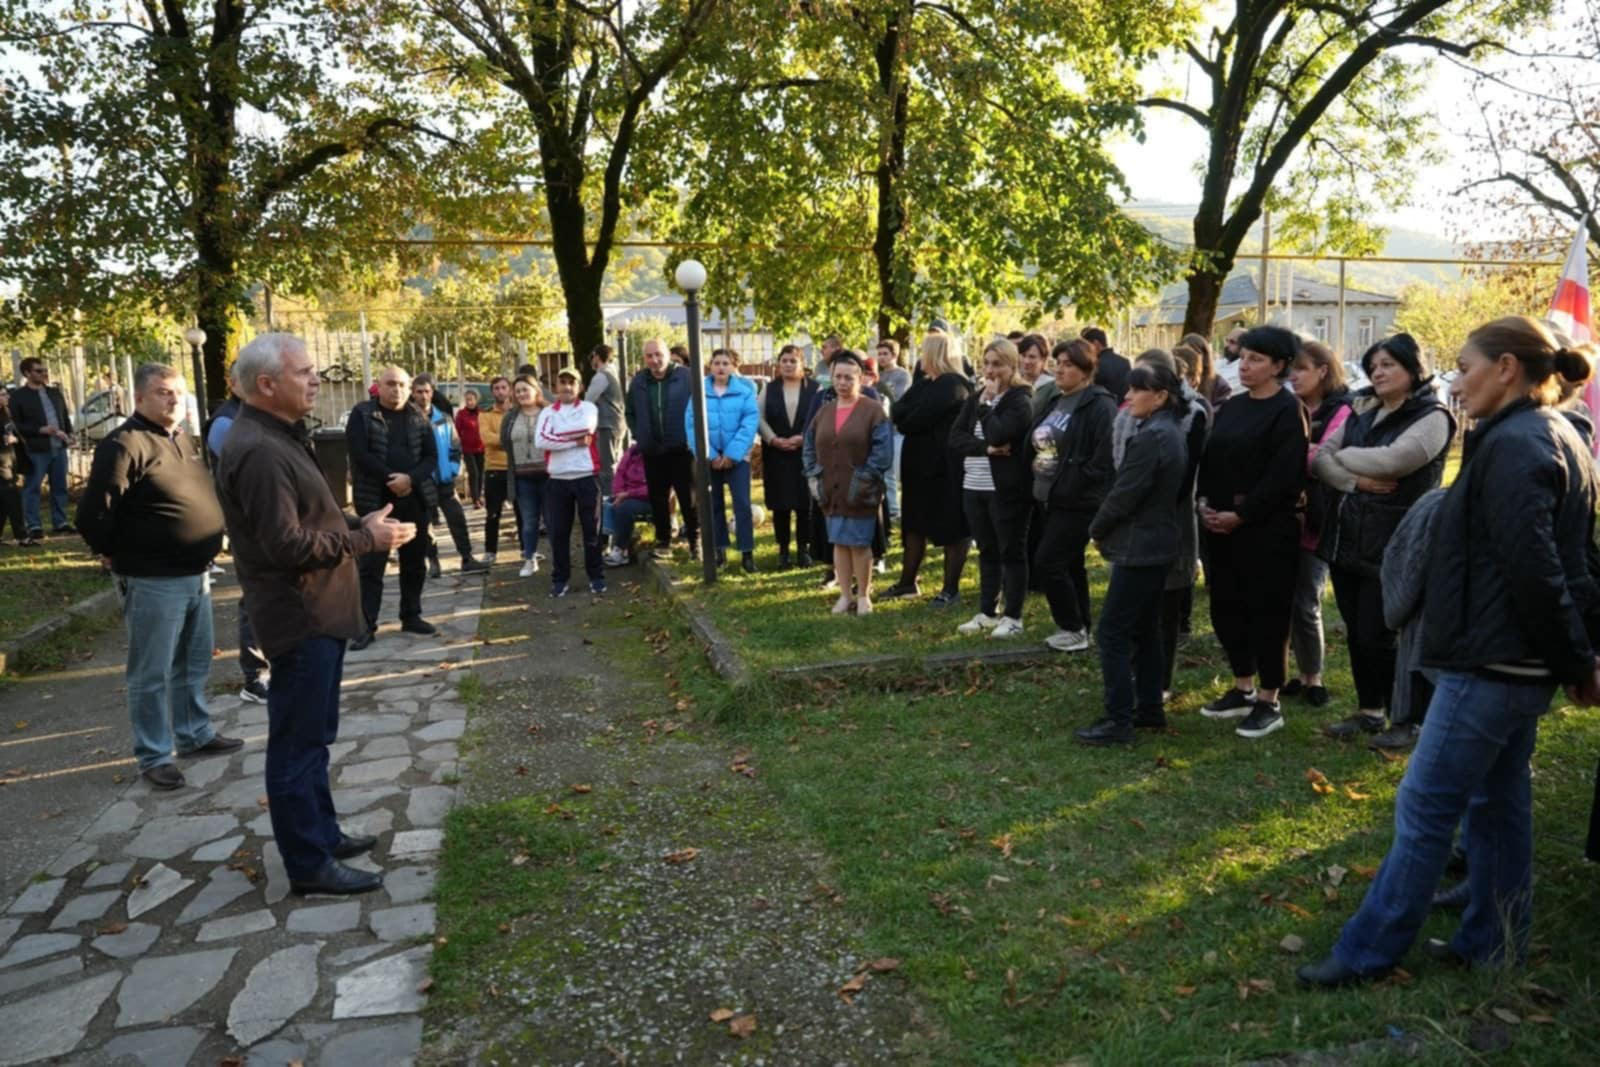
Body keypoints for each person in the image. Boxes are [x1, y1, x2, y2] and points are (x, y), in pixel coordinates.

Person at [1298, 316, 1600, 988]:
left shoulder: (1520, 443)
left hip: (1493, 662)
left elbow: (1543, 569)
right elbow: (1574, 564)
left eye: (1465, 366)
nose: (1457, 381)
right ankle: (1493, 941)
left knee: (1427, 804)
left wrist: (1579, 659)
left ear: (1507, 369)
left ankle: (1367, 952)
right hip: (1511, 659)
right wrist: (1577, 656)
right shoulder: (1546, 434)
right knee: (1498, 802)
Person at [218, 333, 416, 895]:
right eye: (305, 372)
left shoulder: (278, 436)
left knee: (313, 738)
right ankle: (308, 863)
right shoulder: (257, 448)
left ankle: (323, 834)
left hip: (318, 613)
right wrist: (364, 542)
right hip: (298, 616)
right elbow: (284, 546)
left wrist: (358, 528)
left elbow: (310, 525)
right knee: (297, 744)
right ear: (267, 384)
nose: (315, 380)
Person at [76, 363, 242, 790]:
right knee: (150, 672)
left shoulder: (181, 439)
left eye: (179, 393)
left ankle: (194, 733)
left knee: (194, 661)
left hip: (195, 574)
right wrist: (111, 552)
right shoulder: (124, 444)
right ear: (139, 398)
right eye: (164, 392)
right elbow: (95, 512)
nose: (174, 399)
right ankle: (153, 754)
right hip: (153, 579)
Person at [1314, 334, 1455, 750]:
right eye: (1373, 365)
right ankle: (1370, 710)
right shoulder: (1362, 408)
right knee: (1358, 632)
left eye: (1388, 364)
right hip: (1345, 540)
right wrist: (1354, 479)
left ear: (1414, 369)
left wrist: (1340, 457)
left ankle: (1406, 719)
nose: (1378, 372)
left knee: (1384, 634)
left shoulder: (1433, 416)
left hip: (1396, 543)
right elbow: (1321, 458)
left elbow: (1395, 460)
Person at [1197, 325, 1308, 740]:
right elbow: (1210, 459)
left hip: (1266, 530)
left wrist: (1241, 515)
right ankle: (1242, 685)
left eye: (1256, 359)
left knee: (1267, 611)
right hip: (1220, 526)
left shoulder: (1287, 409)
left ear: (1279, 366)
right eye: (1243, 357)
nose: (1244, 365)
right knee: (1226, 607)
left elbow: (1285, 475)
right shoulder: (1233, 406)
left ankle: (1268, 698)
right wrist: (1205, 503)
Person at [1076, 362, 1190, 745]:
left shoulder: (1153, 436)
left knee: (1112, 632)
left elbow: (1125, 493)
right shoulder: (1168, 431)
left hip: (1139, 546)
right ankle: (1148, 709)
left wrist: (1096, 528)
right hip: (1155, 543)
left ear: (1160, 396)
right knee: (1144, 629)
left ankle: (1119, 719)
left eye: (1136, 390)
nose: (1127, 397)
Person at [1027, 338, 1116, 652]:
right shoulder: (1057, 400)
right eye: (1058, 363)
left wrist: (1071, 482)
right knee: (1070, 564)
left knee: (1048, 562)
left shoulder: (1099, 405)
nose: (1060, 369)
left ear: (1086, 370)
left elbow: (1103, 459)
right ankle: (1081, 628)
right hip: (1049, 496)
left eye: (1068, 364)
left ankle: (1071, 625)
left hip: (1078, 500)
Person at [345, 365, 438, 649]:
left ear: (409, 387)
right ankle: (365, 626)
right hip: (376, 502)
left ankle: (411, 615)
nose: (396, 390)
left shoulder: (419, 416)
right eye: (390, 384)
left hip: (414, 498)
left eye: (401, 384)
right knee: (372, 566)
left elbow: (431, 456)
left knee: (414, 562)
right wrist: (391, 479)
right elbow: (359, 455)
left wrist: (411, 479)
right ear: (378, 386)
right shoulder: (363, 415)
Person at [949, 338, 1035, 638]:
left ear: (1012, 366)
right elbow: (956, 439)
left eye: (997, 364)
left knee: (1011, 551)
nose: (990, 370)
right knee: (987, 550)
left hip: (1006, 489)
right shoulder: (975, 398)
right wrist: (985, 449)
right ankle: (988, 611)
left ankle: (1013, 616)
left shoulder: (1020, 400)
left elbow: (999, 433)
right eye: (986, 363)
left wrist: (989, 406)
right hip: (974, 484)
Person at [1284, 341, 1351, 710]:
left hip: (1320, 517)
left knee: (1307, 598)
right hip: (1284, 514)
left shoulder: (1342, 409)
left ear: (1323, 370)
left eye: (1302, 369)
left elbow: (1327, 458)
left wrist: (1293, 455)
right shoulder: (1290, 407)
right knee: (1285, 600)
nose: (1293, 376)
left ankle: (1314, 677)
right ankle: (1291, 670)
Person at [884, 332, 972, 603]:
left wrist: (905, 416)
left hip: (943, 468)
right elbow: (898, 412)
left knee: (951, 528)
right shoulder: (924, 384)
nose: (920, 356)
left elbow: (914, 419)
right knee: (914, 526)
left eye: (924, 351)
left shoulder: (953, 384)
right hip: (918, 469)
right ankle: (907, 583)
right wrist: (904, 416)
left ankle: (950, 589)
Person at [803, 350, 893, 614]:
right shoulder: (824, 411)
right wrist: (813, 474)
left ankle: (863, 595)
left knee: (860, 543)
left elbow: (883, 451)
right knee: (839, 542)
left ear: (860, 378)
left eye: (848, 378)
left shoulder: (873, 410)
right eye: (838, 377)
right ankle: (844, 595)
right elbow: (809, 444)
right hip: (830, 489)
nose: (842, 383)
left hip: (861, 490)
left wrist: (865, 478)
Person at [205, 377, 271, 703]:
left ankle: (268, 669)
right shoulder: (226, 421)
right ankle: (254, 677)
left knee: (270, 598)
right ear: (233, 382)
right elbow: (246, 469)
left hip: (267, 520)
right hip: (250, 524)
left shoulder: (254, 417)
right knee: (255, 601)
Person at [686, 349, 760, 572]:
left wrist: (731, 454)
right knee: (713, 505)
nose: (720, 367)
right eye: (716, 363)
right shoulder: (700, 391)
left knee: (742, 505)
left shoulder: (745, 392)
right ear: (710, 366)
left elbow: (749, 423)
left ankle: (747, 554)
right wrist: (708, 454)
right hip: (710, 459)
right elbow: (691, 424)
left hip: (736, 459)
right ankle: (720, 551)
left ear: (734, 366)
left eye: (725, 363)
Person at [627, 338, 699, 560]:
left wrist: (692, 437)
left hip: (681, 449)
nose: (654, 360)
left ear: (668, 355)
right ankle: (664, 540)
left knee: (689, 497)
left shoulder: (686, 377)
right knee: (658, 498)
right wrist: (640, 434)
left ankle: (696, 542)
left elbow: (700, 407)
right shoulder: (639, 381)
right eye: (649, 356)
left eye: (658, 354)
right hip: (653, 450)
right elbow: (630, 412)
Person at [413, 374, 490, 578]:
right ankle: (433, 560)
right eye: (419, 392)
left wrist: (454, 468)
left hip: (445, 479)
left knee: (457, 518)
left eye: (427, 391)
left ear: (432, 392)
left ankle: (467, 558)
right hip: (422, 481)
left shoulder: (443, 419)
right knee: (425, 524)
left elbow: (455, 445)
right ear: (412, 394)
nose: (423, 395)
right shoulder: (408, 420)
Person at [537, 366, 605, 597]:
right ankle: (560, 579)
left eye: (571, 382)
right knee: (558, 533)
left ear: (580, 387)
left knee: (592, 532)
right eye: (562, 382)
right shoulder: (547, 413)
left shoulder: (589, 408)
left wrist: (557, 435)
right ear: (556, 386)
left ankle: (596, 577)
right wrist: (574, 442)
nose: (566, 387)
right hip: (557, 479)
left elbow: (586, 428)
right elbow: (541, 440)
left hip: (586, 476)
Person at [759, 344, 820, 569]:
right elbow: (758, 417)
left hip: (805, 454)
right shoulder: (769, 388)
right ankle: (783, 551)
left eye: (793, 361)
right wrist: (773, 438)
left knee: (805, 505)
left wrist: (804, 437)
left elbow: (820, 417)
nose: (787, 364)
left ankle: (804, 550)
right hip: (777, 454)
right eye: (784, 360)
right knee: (780, 505)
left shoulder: (815, 389)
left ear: (802, 364)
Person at [11, 357, 75, 539]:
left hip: (59, 447)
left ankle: (60, 522)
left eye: (44, 370)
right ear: (27, 374)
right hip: (36, 449)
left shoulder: (55, 393)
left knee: (60, 486)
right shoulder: (18, 397)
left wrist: (70, 435)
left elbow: (64, 417)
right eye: (38, 371)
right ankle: (34, 526)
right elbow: (15, 424)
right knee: (32, 487)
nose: (43, 373)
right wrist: (40, 429)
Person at [502, 376, 549, 577]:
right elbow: (505, 442)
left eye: (525, 389)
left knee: (553, 520)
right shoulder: (511, 416)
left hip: (549, 476)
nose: (521, 394)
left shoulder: (548, 413)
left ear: (535, 389)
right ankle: (529, 559)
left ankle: (560, 561)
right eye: (517, 390)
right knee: (529, 521)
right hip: (522, 477)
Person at [478, 376, 519, 562]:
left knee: (522, 512)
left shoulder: (518, 413)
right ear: (492, 391)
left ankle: (528, 551)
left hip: (517, 468)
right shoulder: (485, 414)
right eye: (496, 388)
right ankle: (490, 551)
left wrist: (503, 441)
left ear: (510, 390)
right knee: (493, 513)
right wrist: (512, 440)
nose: (500, 391)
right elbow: (487, 439)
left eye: (504, 387)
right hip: (494, 469)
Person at [602, 443, 653, 566]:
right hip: (625, 495)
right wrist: (619, 493)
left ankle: (621, 550)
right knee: (603, 504)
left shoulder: (659, 454)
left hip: (648, 499)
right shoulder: (633, 451)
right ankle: (602, 547)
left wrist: (628, 494)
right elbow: (620, 473)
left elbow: (655, 488)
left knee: (624, 509)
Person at [587, 344, 627, 494]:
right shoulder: (613, 372)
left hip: (606, 424)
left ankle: (608, 502)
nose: (592, 359)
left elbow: (588, 400)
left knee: (606, 467)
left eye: (593, 356)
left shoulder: (601, 376)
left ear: (597, 356)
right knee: (614, 463)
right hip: (616, 424)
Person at [1, 387, 34, 545]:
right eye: (2, 394)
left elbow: (14, 434)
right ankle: (22, 536)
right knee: (13, 497)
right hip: (2, 464)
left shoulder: (6, 413)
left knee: (3, 500)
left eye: (6, 393)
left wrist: (14, 440)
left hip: (9, 460)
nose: (6, 396)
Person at [1080, 327, 1130, 405]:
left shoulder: (1094, 365)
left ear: (1096, 344)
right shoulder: (1125, 362)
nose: (1084, 351)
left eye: (1086, 347)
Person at [455, 387, 486, 507]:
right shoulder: (461, 414)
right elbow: (457, 430)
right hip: (467, 448)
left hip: (481, 447)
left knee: (480, 472)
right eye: (467, 400)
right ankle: (475, 499)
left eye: (471, 399)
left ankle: (479, 495)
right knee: (473, 473)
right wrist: (458, 446)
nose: (469, 402)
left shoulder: (482, 413)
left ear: (476, 400)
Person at [1216, 326, 1246, 393]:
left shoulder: (1243, 368)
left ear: (1244, 346)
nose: (1227, 345)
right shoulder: (1218, 363)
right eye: (1226, 340)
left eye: (1232, 342)